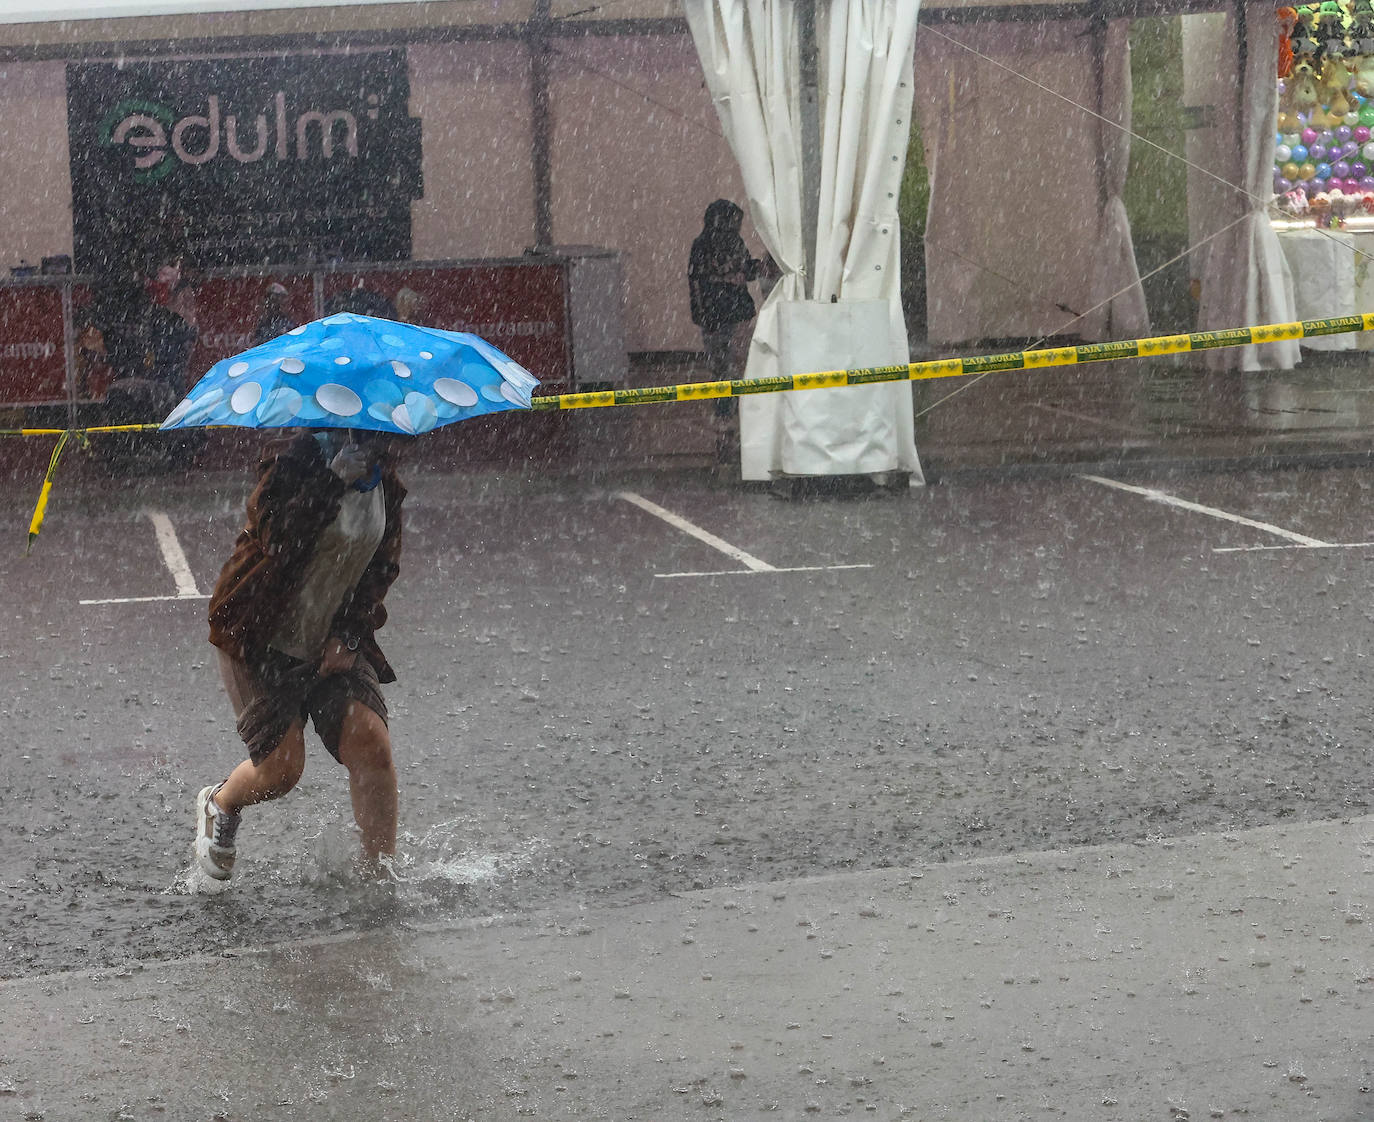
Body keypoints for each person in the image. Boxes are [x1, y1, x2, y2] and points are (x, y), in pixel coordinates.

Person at [193, 427, 406, 884]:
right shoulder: (286, 467)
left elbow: (381, 567)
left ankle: (380, 879)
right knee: (281, 770)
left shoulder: (384, 480)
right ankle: (221, 803)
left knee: (371, 744)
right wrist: (329, 481)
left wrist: (349, 634)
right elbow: (280, 541)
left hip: (331, 634)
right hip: (258, 635)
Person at [688, 199, 760, 465]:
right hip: (718, 315)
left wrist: (754, 268)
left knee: (734, 368)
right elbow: (699, 281)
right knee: (724, 370)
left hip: (733, 313)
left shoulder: (732, 243)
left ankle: (733, 421)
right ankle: (727, 420)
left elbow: (743, 270)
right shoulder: (703, 246)